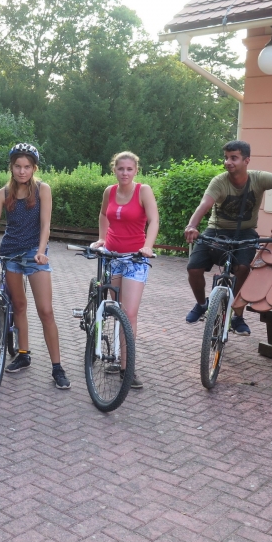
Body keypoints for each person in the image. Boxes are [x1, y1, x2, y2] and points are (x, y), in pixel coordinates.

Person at [0, 143, 71, 390]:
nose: (22, 171)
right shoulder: (3, 193)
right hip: (10, 252)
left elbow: (45, 225)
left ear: (34, 168)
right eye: (17, 166)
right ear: (11, 168)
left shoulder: (43, 190)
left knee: (46, 311)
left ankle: (57, 367)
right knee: (19, 306)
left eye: (27, 167)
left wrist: (42, 251)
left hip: (34, 253)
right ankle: (23, 354)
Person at [184, 140, 272, 334]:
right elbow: (204, 204)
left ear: (246, 160)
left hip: (245, 231)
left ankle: (237, 316)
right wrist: (192, 226)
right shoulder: (219, 181)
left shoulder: (258, 178)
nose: (228, 162)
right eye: (226, 158)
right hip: (216, 230)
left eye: (234, 158)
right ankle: (202, 305)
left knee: (243, 268)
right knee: (193, 268)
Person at [90, 151, 159, 389]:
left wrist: (148, 246)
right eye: (121, 169)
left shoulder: (143, 191)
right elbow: (103, 214)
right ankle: (119, 356)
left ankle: (127, 368)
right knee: (118, 309)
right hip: (112, 257)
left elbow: (154, 220)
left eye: (129, 169)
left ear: (136, 170)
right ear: (114, 170)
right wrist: (102, 238)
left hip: (135, 258)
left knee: (129, 314)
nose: (125, 173)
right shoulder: (109, 191)